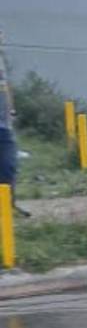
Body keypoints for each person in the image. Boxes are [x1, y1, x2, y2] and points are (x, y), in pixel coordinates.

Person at [0, 29, 17, 203]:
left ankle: (7, 205)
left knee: (8, 165)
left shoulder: (1, 59)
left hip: (5, 124)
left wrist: (11, 110)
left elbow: (6, 86)